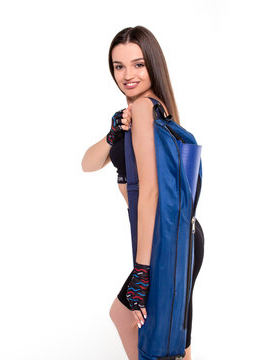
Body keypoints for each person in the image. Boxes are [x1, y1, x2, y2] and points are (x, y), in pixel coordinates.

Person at [81, 26, 204, 360]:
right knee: (175, 336)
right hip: (174, 235)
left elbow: (149, 193)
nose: (127, 74)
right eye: (118, 66)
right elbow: (87, 164)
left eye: (137, 64)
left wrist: (142, 272)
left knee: (153, 332)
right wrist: (112, 135)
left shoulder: (145, 109)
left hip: (165, 239)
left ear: (153, 64)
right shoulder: (142, 111)